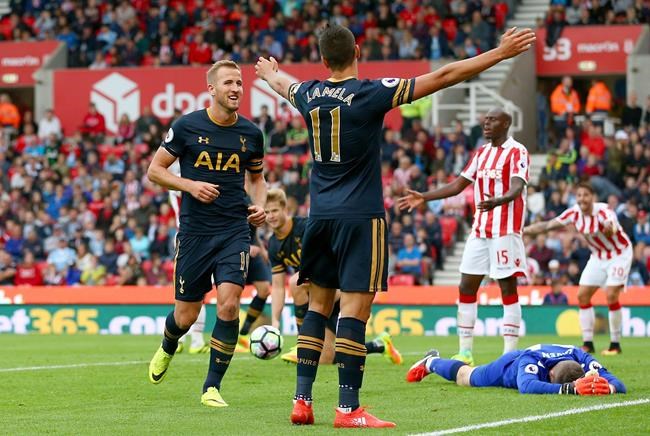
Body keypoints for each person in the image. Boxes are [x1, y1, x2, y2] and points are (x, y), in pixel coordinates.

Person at [256, 24, 535, 428]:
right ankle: (348, 409)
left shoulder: (310, 94)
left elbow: (286, 84)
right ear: (357, 50)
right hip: (360, 218)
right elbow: (443, 77)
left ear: (322, 60)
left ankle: (301, 401)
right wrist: (499, 53)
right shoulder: (371, 92)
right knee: (353, 312)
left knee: (317, 308)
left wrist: (267, 73)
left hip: (319, 218)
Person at [146, 60, 267, 409]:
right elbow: (155, 171)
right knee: (185, 315)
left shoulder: (251, 134)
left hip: (234, 230)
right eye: (228, 82)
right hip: (196, 233)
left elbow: (258, 180)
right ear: (211, 89)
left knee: (229, 304)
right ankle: (168, 346)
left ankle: (211, 387)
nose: (236, 88)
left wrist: (258, 206)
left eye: (240, 83)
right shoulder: (186, 127)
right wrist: (190, 186)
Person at [399, 107, 530, 366]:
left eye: (492, 120)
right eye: (485, 120)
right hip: (480, 230)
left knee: (507, 288)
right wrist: (425, 196)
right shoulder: (481, 153)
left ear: (506, 124)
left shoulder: (518, 151)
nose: (486, 123)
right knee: (466, 286)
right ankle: (465, 351)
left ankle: (509, 355)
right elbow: (458, 184)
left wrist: (500, 200)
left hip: (505, 230)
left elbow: (517, 185)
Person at [265, 188, 402, 365]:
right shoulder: (274, 244)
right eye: (267, 212)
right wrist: (275, 320)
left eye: (274, 210)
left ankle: (302, 343)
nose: (271, 216)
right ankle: (379, 345)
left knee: (296, 282)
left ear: (285, 209)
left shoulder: (305, 227)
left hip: (335, 285)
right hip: (316, 296)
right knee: (325, 358)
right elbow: (276, 286)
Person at [523, 182, 632, 356]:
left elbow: (611, 228)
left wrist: (607, 229)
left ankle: (615, 344)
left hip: (619, 254)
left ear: (592, 197)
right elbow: (547, 225)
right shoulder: (574, 213)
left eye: (586, 195)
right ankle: (588, 343)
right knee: (582, 295)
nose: (582, 199)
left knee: (611, 294)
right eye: (579, 195)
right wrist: (523, 230)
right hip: (598, 256)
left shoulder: (604, 212)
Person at [406, 344, 626, 395]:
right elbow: (526, 386)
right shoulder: (532, 361)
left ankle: (433, 362)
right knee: (466, 376)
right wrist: (568, 389)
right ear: (550, 375)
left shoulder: (581, 356)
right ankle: (431, 362)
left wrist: (609, 388)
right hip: (508, 366)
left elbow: (619, 384)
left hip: (529, 361)